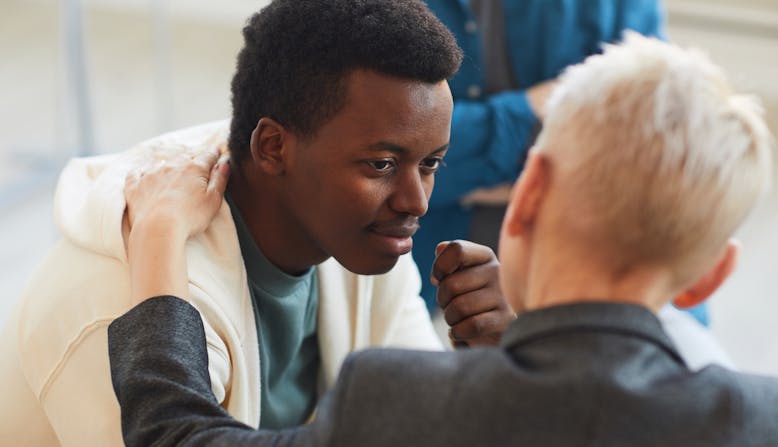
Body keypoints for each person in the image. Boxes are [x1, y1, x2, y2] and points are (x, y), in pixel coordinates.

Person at [108, 34, 778, 446]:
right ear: (711, 275)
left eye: (431, 166)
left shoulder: (400, 400)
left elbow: (178, 437)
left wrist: (162, 235)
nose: (418, 200)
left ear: (531, 189)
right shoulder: (759, 418)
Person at [0, 1, 516, 445]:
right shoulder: (120, 314)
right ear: (273, 147)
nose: (416, 201)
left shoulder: (359, 238)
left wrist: (490, 365)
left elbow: (419, 426)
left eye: (430, 164)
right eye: (381, 165)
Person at [414, 0, 713, 325]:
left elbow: (650, 144)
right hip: (420, 270)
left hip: (599, 265)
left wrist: (463, 166)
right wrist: (528, 116)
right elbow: (382, 151)